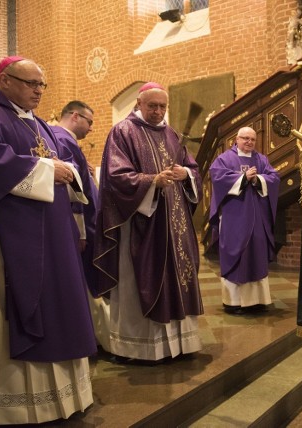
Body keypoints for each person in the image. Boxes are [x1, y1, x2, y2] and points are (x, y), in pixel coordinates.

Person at [0, 56, 96, 425]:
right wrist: (48, 169)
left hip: (52, 232)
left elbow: (60, 164)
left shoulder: (38, 123)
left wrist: (66, 171)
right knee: (16, 306)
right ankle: (17, 403)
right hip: (8, 237)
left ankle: (63, 396)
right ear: (4, 80)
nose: (39, 91)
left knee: (59, 303)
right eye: (31, 83)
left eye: (42, 85)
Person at [93, 82, 204, 362]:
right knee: (139, 279)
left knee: (179, 278)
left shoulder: (172, 133)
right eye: (152, 106)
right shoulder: (123, 132)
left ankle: (179, 344)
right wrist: (151, 181)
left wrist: (185, 175)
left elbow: (192, 169)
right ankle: (136, 348)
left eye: (162, 106)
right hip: (142, 223)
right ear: (139, 104)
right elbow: (116, 177)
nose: (157, 111)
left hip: (175, 223)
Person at [50, 101, 111, 351]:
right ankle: (94, 338)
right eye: (90, 121)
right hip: (80, 225)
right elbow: (72, 190)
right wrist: (81, 231)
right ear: (75, 117)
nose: (91, 128)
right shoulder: (63, 140)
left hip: (82, 222)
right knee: (86, 281)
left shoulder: (58, 137)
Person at [209, 126, 280, 315]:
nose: (249, 142)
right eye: (245, 138)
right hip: (234, 218)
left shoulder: (261, 159)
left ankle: (257, 301)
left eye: (252, 139)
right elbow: (217, 177)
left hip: (257, 218)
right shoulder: (224, 159)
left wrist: (257, 180)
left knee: (256, 253)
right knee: (236, 254)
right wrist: (242, 178)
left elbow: (274, 177)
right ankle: (233, 302)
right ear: (236, 139)